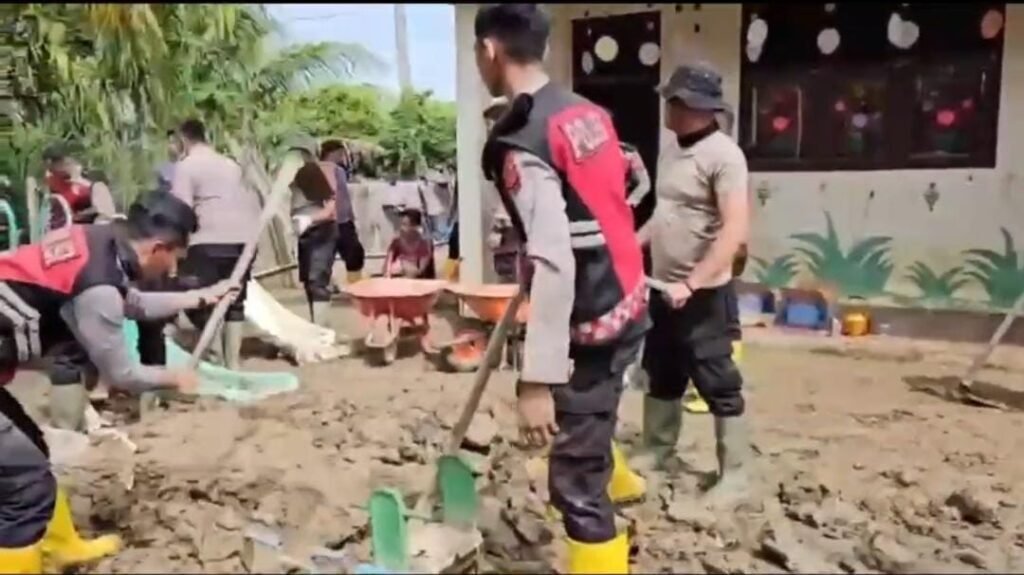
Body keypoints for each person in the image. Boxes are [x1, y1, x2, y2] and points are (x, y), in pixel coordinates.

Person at [474, 5, 649, 573]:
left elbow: (553, 262)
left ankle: (601, 522)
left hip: (594, 312)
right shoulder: (587, 112)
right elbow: (630, 178)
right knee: (592, 410)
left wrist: (536, 380)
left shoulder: (521, 143)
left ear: (489, 51)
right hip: (629, 296)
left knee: (572, 480)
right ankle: (619, 481)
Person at [0, 191, 238, 572]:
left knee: (30, 453)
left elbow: (132, 303)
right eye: (175, 257)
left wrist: (200, 297)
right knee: (25, 483)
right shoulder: (98, 287)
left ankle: (62, 547)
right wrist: (175, 378)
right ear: (157, 248)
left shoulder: (97, 242)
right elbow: (122, 375)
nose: (174, 269)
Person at [634, 62, 753, 507]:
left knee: (716, 377)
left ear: (693, 106)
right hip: (663, 285)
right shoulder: (670, 151)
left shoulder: (725, 156)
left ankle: (735, 474)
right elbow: (664, 214)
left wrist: (694, 281)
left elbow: (734, 229)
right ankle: (658, 449)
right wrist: (632, 243)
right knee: (662, 368)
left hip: (703, 292)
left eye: (673, 101)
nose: (667, 107)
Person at [170, 118, 262, 370]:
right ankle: (233, 363)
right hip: (243, 241)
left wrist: (177, 245)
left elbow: (181, 210)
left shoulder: (186, 166)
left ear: (182, 139)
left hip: (207, 241)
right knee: (235, 300)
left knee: (202, 299)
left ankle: (215, 357)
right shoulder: (231, 165)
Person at [290, 158, 339, 330]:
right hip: (306, 231)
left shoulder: (312, 169)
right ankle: (318, 326)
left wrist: (310, 219)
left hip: (320, 230)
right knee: (309, 282)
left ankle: (320, 330)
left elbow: (331, 206)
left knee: (317, 281)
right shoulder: (292, 174)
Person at [319, 139, 366, 286]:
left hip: (339, 220)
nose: (342, 156)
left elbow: (344, 195)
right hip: (332, 221)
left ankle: (353, 283)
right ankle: (350, 283)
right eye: (340, 153)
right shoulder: (327, 170)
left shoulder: (337, 170)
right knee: (349, 253)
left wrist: (350, 215)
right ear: (333, 152)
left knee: (351, 253)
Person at [42, 144, 117, 228]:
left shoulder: (95, 186)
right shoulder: (52, 186)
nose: (49, 173)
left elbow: (105, 214)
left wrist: (79, 216)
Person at [384, 209, 434, 279]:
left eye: (405, 225)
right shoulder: (397, 241)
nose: (401, 228)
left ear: (414, 226)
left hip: (414, 278)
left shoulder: (423, 243)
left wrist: (405, 265)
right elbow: (388, 262)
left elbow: (421, 269)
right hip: (397, 277)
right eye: (401, 224)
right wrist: (388, 272)